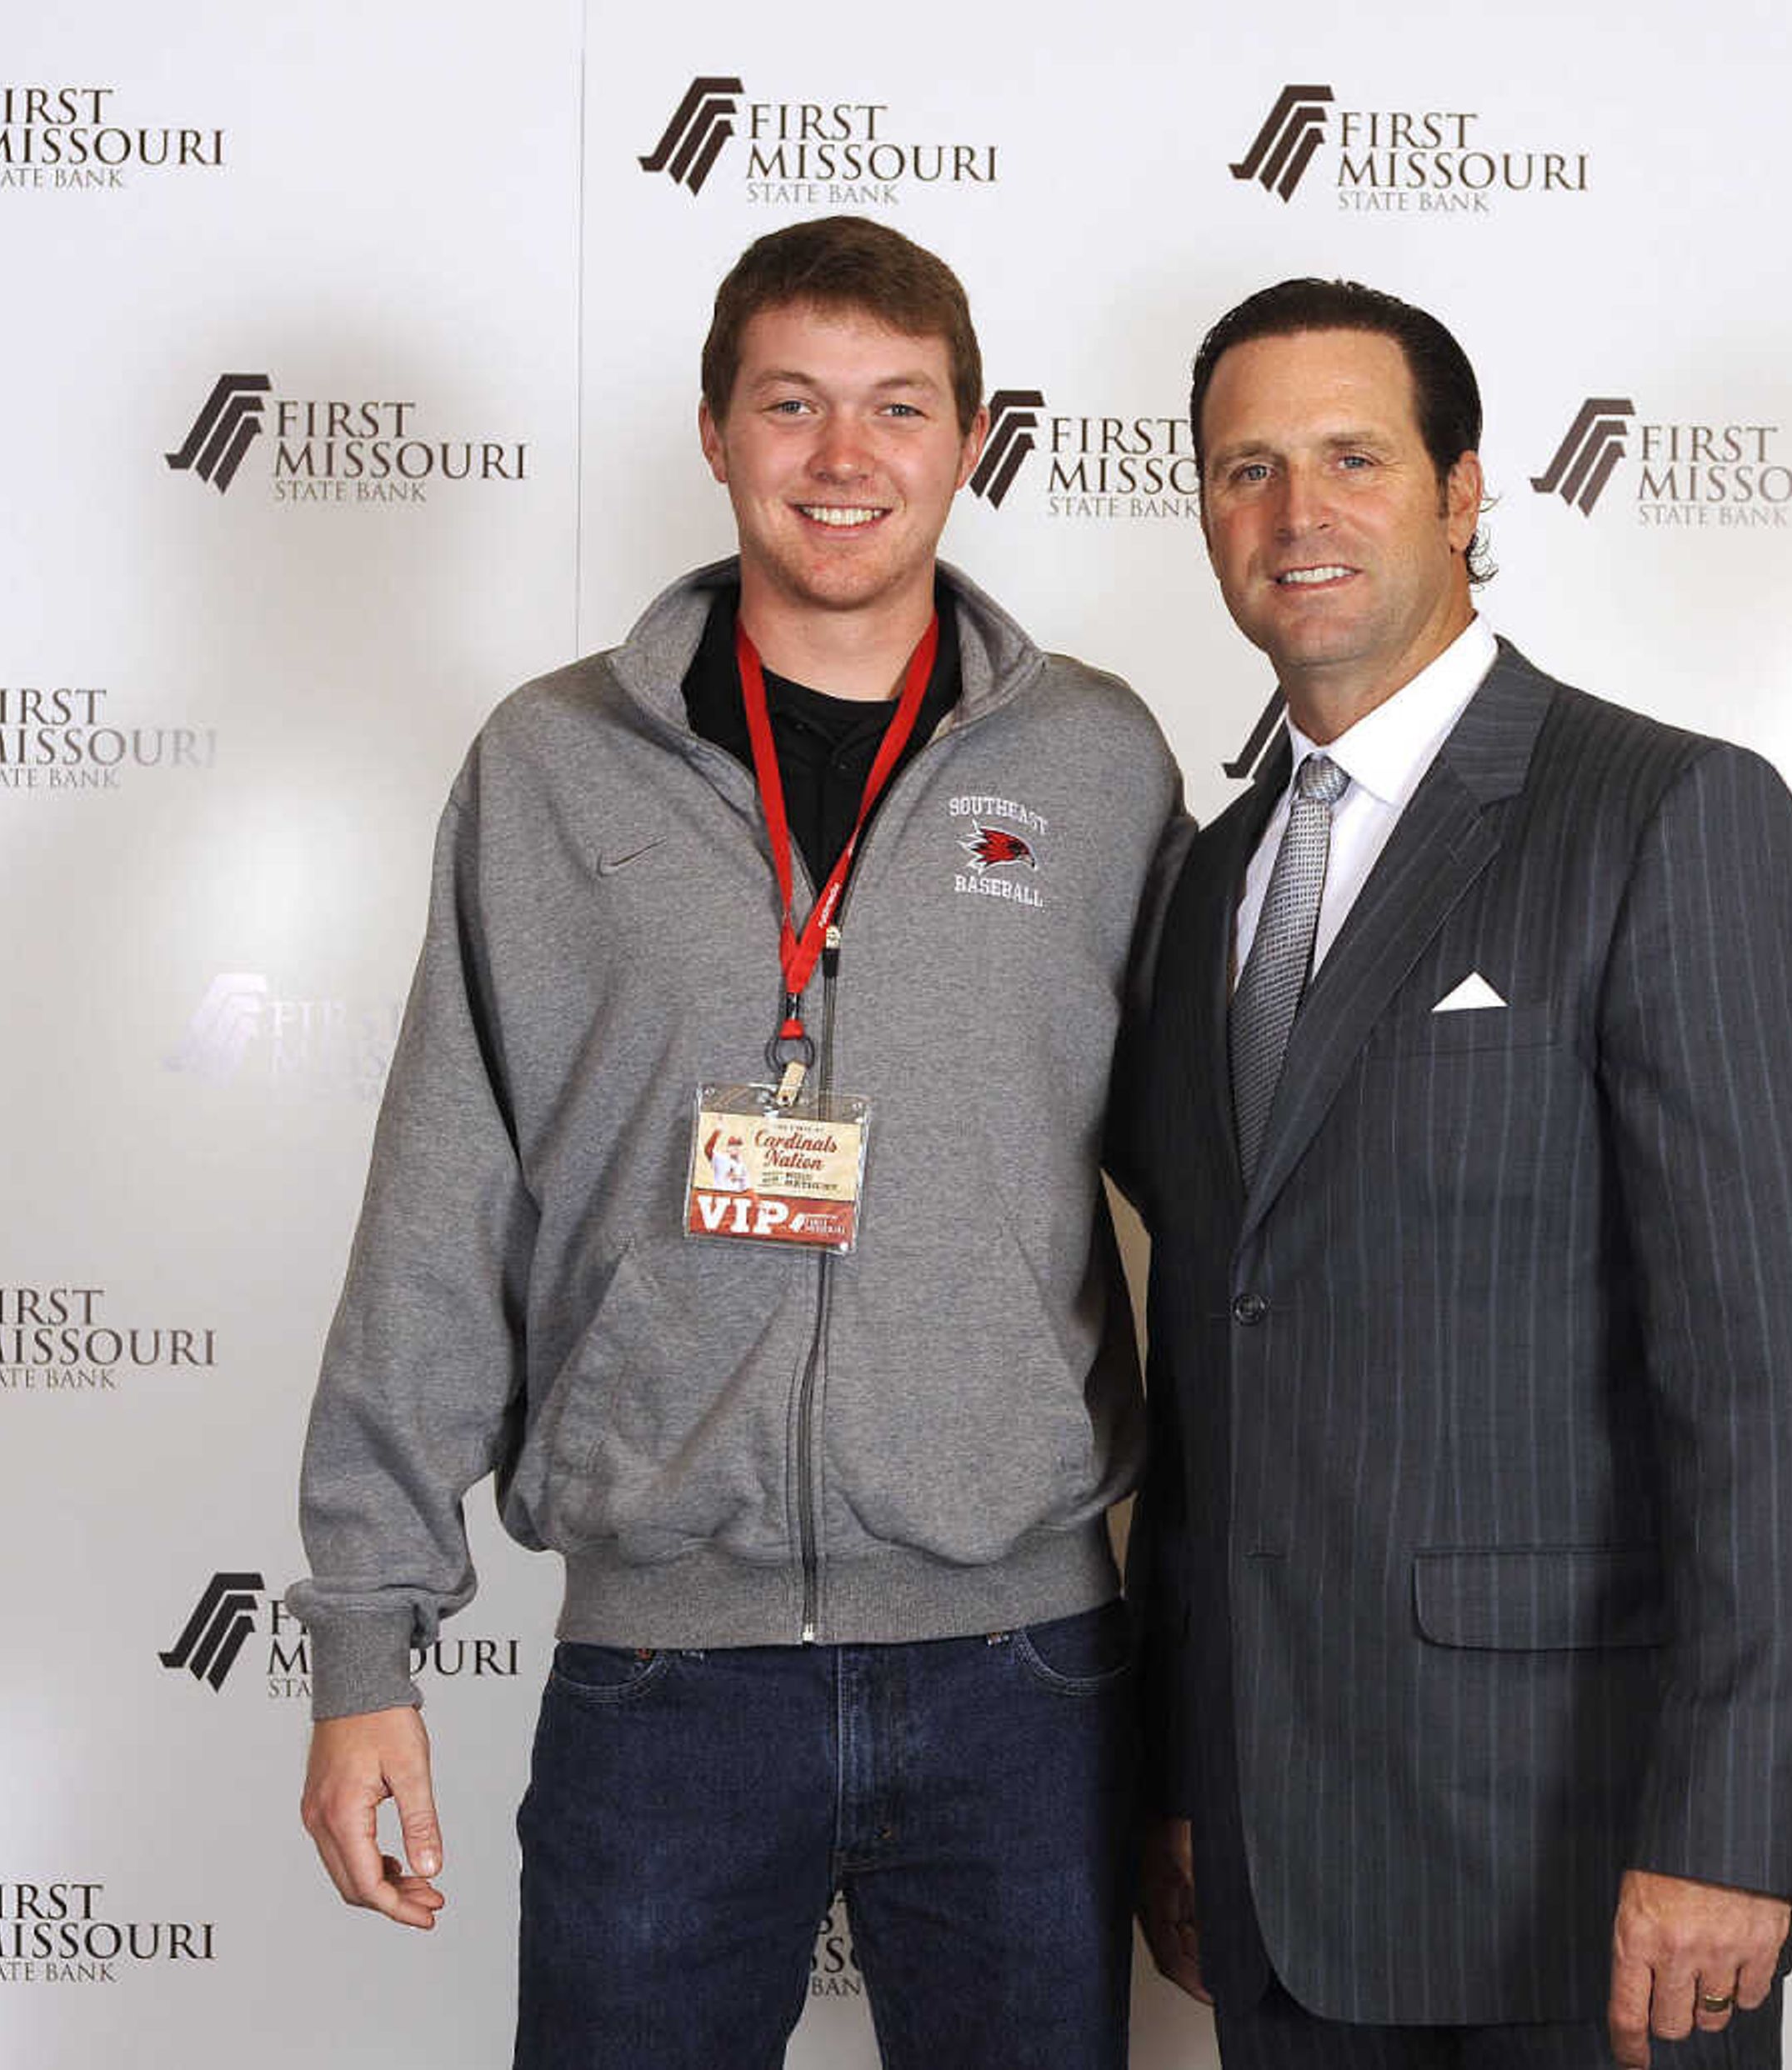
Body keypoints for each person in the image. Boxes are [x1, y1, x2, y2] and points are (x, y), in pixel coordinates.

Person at [289, 215, 1184, 2070]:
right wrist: (367, 1637)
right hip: (665, 1675)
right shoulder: (551, 766)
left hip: (1024, 1667)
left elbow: (1233, 1205)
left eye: (895, 408)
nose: (842, 459)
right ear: (715, 432)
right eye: (792, 404)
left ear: (973, 435)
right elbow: (444, 1197)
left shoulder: (1097, 765)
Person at [1114, 279, 1792, 2069]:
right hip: (1276, 1872)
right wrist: (1183, 1781)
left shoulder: (1671, 819)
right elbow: (1210, 1365)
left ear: (1467, 492)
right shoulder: (1207, 885)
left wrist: (1734, 1828)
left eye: (1351, 457)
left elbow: (1790, 1374)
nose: (1295, 513)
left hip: (1581, 1872)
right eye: (1245, 469)